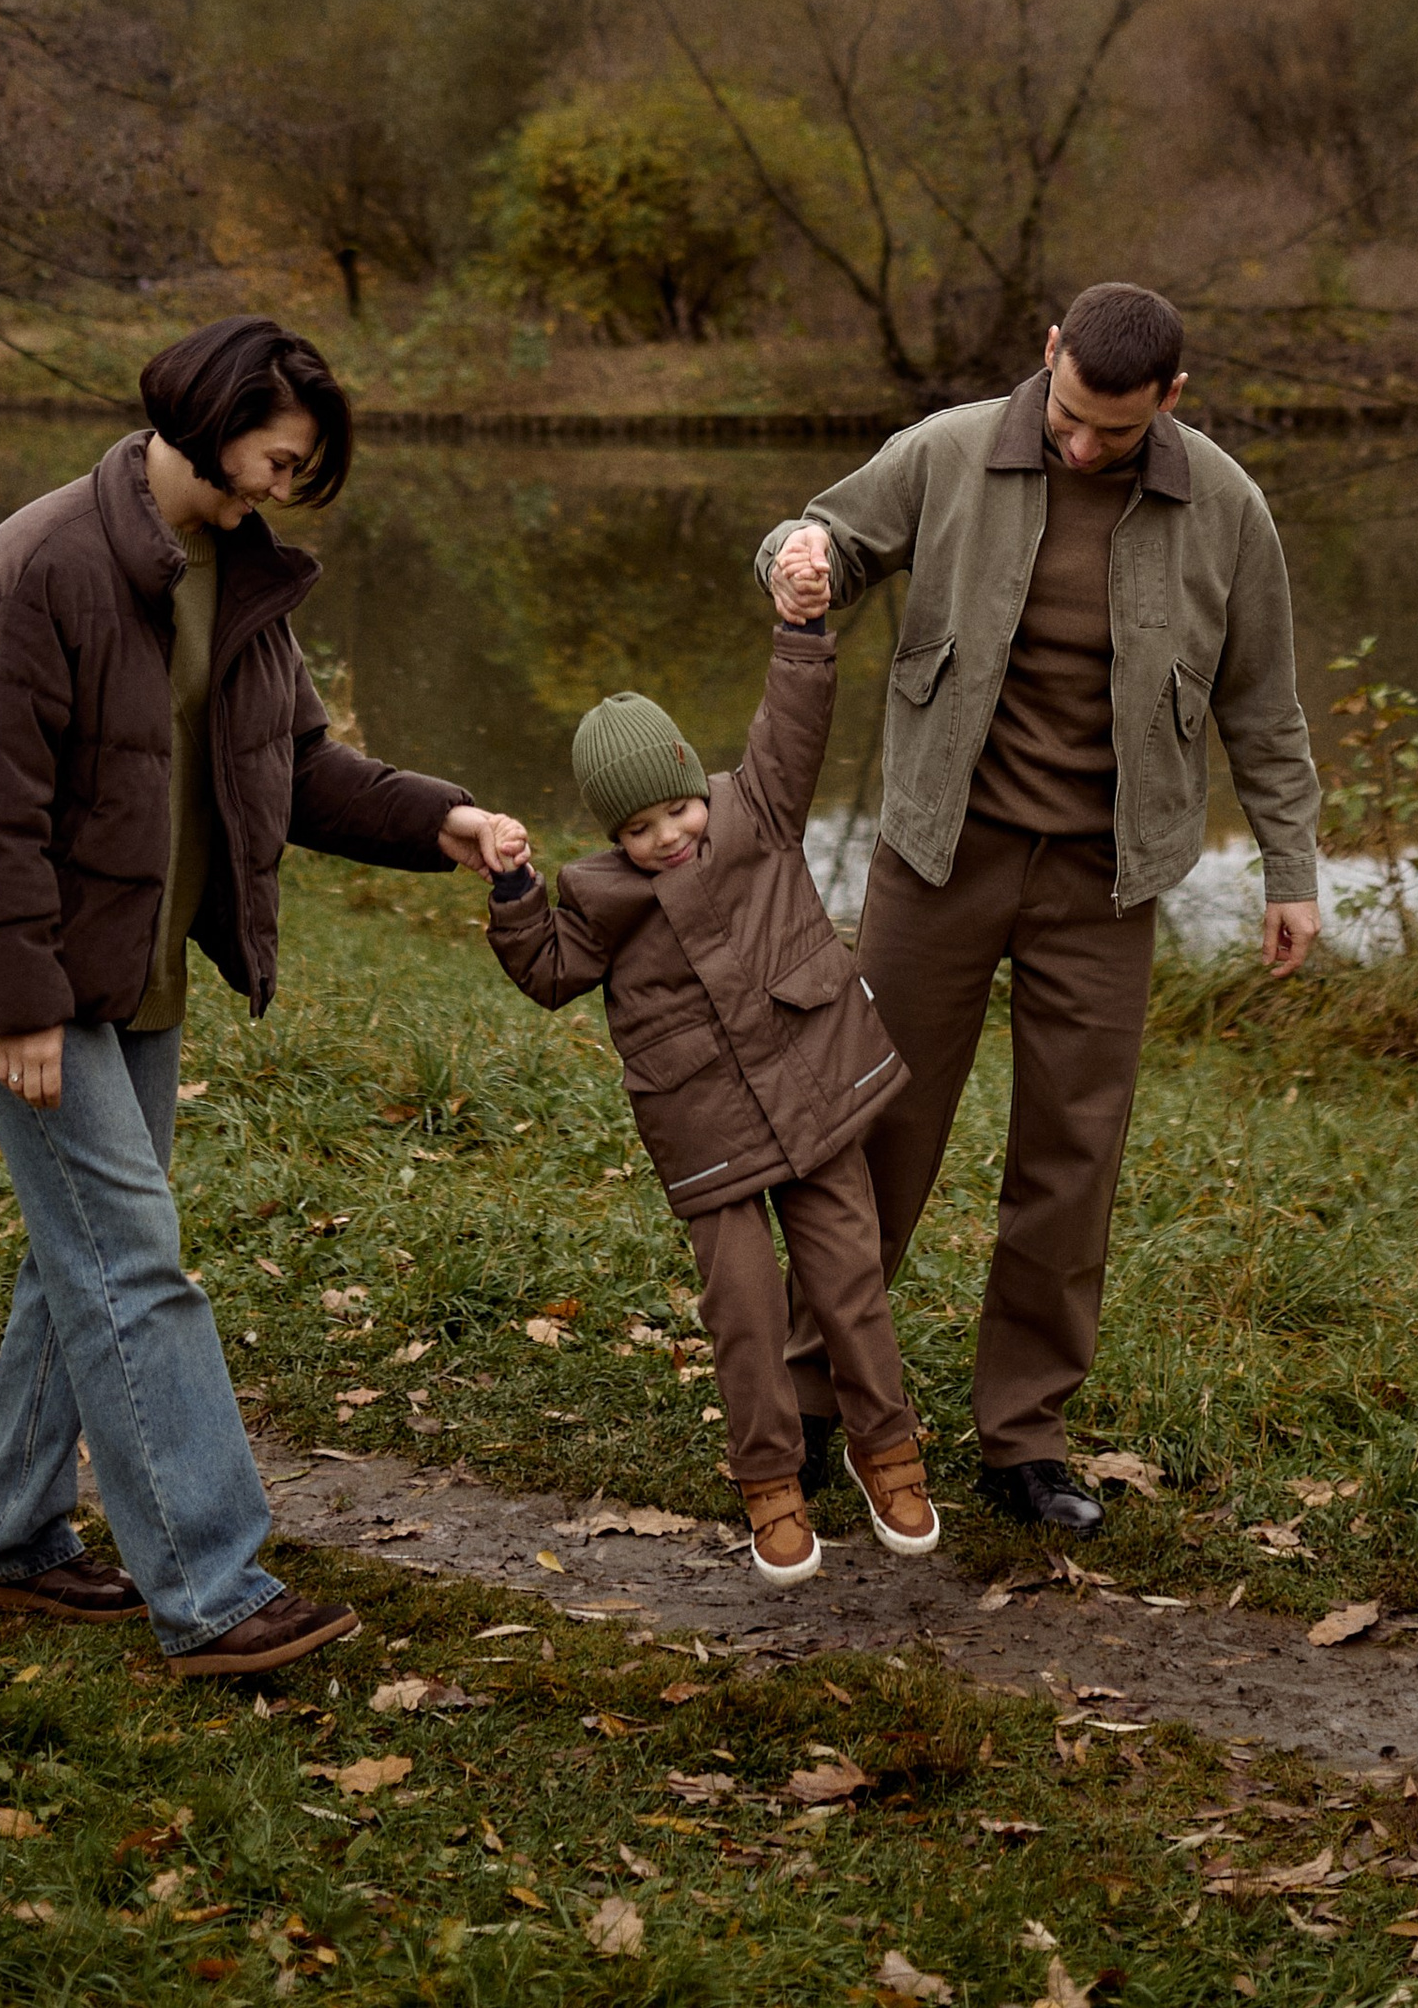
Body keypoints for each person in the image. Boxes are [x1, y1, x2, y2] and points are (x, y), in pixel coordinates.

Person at [0, 312, 527, 1678]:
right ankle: (215, 1588)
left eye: (301, 470)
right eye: (279, 459)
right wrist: (20, 1007)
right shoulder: (37, 563)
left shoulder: (232, 575)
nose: (286, 487)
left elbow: (293, 766)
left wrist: (442, 821)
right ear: (212, 420)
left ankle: (13, 1540)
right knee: (131, 1261)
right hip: (29, 965)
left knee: (92, 1252)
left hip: (140, 962)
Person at [757, 279, 1320, 1538]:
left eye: (1113, 433)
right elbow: (825, 538)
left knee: (1070, 1159)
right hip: (936, 859)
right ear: (1049, 354)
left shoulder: (1222, 502)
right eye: (1068, 414)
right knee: (874, 1130)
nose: (1080, 446)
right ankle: (805, 1398)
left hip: (1103, 881)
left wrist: (1292, 866)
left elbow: (1264, 702)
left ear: (1169, 400)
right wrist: (799, 559)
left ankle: (1021, 1436)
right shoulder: (949, 448)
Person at [483, 615, 938, 1584]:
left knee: (849, 1282)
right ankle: (771, 1480)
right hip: (708, 1130)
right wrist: (517, 891)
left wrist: (800, 628)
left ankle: (886, 1452)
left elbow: (796, 714)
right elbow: (550, 969)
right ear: (611, 835)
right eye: (636, 829)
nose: (665, 838)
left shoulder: (759, 807)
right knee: (742, 1310)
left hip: (813, 1097)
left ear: (700, 781)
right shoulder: (600, 894)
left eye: (675, 811)